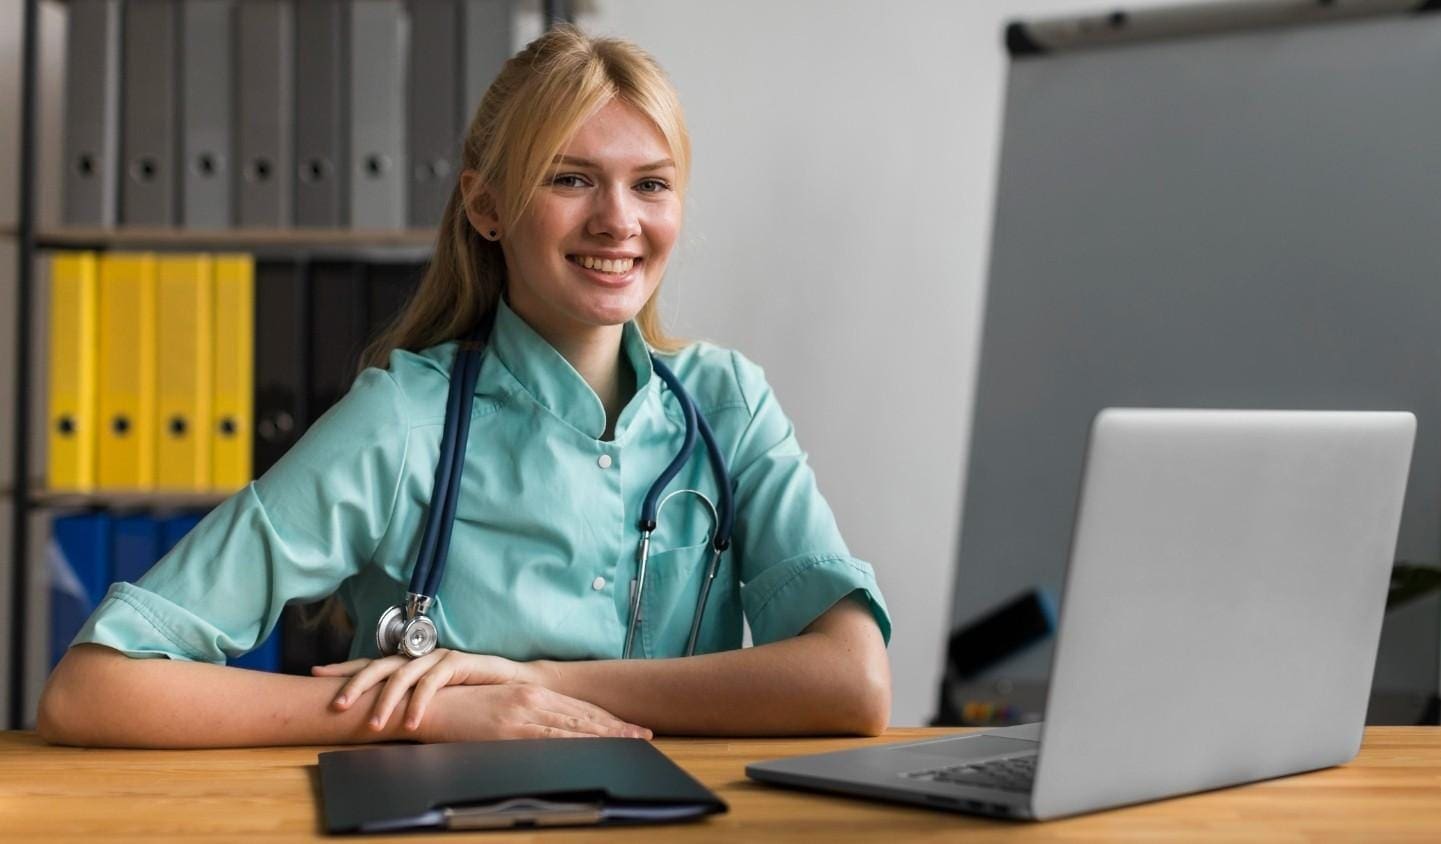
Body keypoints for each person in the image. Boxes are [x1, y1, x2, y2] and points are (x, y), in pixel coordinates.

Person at [37, 24, 891, 748]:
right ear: (487, 208)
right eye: (570, 178)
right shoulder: (402, 421)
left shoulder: (727, 405)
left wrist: (538, 682)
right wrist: (425, 712)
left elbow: (853, 684)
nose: (618, 221)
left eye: (651, 184)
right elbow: (94, 689)